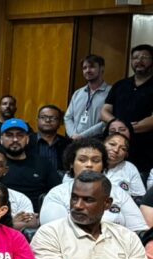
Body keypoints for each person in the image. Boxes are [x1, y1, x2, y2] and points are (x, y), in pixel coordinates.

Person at [39, 138, 146, 233]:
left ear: (103, 166)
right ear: (71, 164)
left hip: (118, 249)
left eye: (96, 160)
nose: (89, 165)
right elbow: (55, 232)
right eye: (82, 160)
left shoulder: (119, 193)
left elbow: (139, 229)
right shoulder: (57, 194)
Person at [103, 44, 153, 180]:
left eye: (144, 57)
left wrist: (127, 129)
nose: (139, 61)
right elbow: (105, 110)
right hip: (115, 145)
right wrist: (115, 125)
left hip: (145, 148)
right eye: (135, 58)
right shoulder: (120, 84)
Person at [0, 118, 62, 210]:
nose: (15, 139)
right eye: (9, 135)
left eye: (20, 135)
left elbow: (57, 193)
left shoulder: (43, 164)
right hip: (3, 216)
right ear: (1, 139)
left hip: (38, 217)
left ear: (27, 139)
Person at [65, 54, 110, 139]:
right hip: (74, 141)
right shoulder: (78, 93)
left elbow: (107, 120)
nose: (87, 70)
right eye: (84, 68)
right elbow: (68, 117)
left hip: (97, 141)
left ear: (102, 68)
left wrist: (82, 136)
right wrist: (73, 135)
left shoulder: (111, 92)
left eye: (92, 67)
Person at [105, 132, 145, 197]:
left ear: (126, 155)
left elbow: (139, 196)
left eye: (123, 149)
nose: (116, 150)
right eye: (112, 144)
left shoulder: (129, 168)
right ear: (102, 144)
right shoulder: (91, 162)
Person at [34, 105, 71, 173]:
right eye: (43, 117)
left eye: (53, 118)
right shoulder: (27, 141)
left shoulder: (68, 144)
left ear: (60, 122)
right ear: (37, 120)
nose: (48, 120)